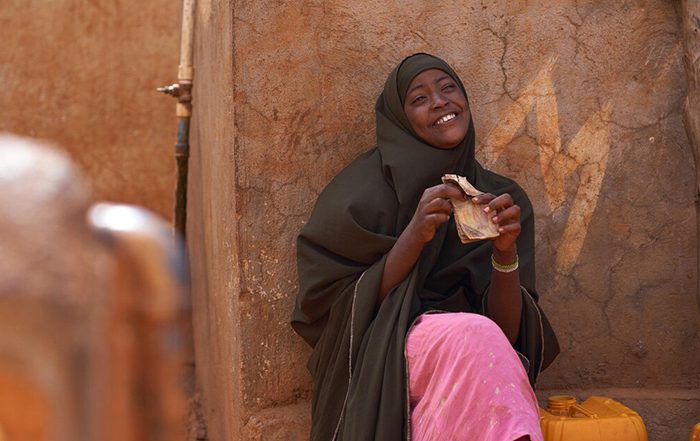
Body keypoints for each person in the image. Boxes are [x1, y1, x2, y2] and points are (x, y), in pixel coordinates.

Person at [292, 53, 559, 441]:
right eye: (419, 98)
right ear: (399, 121)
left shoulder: (499, 198)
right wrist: (413, 237)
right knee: (473, 335)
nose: (440, 101)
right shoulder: (360, 194)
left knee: (479, 339)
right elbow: (332, 312)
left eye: (449, 88)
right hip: (387, 352)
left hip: (478, 353)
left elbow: (506, 333)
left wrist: (504, 253)